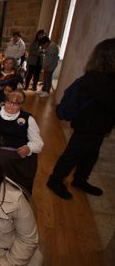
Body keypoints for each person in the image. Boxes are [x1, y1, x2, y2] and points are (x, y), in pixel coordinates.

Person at [46, 38, 115, 199]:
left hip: (99, 126)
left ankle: (80, 180)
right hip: (87, 126)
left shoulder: (105, 78)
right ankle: (55, 180)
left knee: (91, 155)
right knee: (72, 154)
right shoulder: (96, 79)